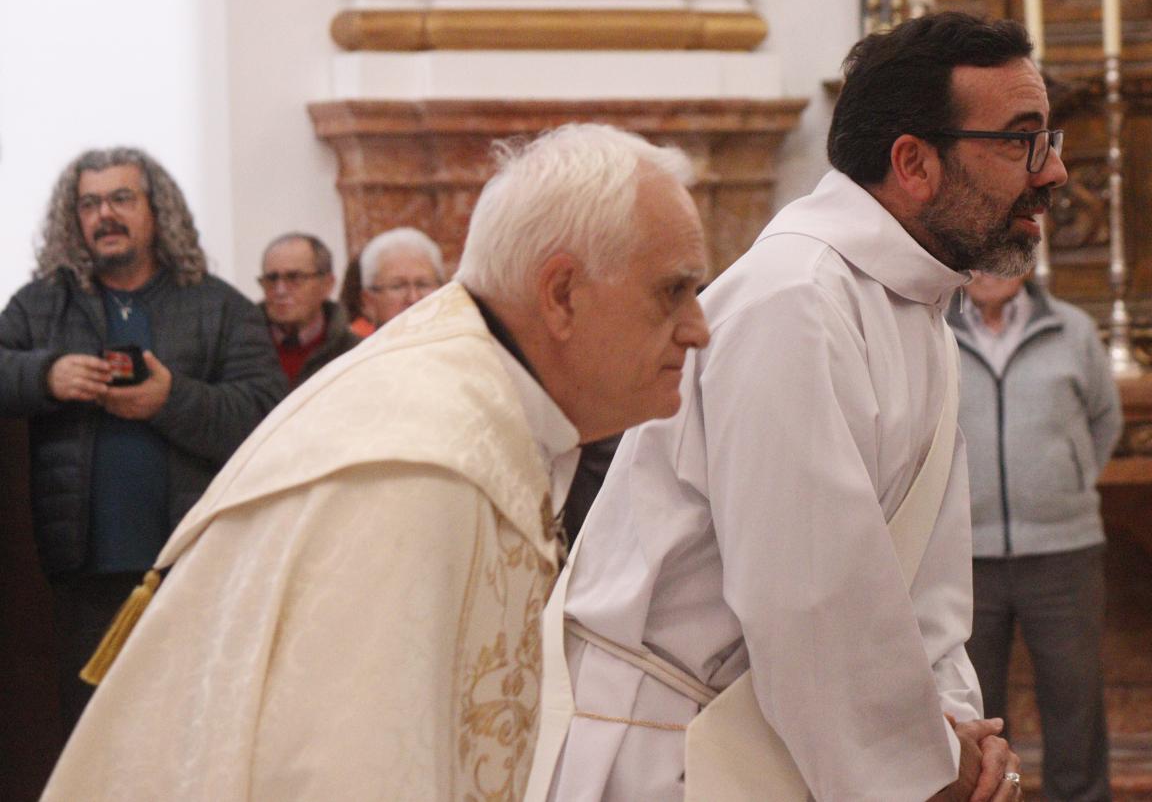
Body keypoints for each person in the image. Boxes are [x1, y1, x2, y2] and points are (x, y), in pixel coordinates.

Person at [40, 123, 711, 801]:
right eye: (673, 290)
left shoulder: (471, 403)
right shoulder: (422, 465)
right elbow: (347, 773)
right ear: (561, 293)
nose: (699, 326)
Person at [538, 11, 1066, 802]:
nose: (1052, 172)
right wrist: (927, 771)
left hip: (791, 738)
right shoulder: (796, 299)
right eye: (1022, 140)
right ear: (913, 162)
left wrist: (953, 730)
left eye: (1050, 140)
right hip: (680, 754)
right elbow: (810, 599)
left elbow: (924, 587)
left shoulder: (915, 308)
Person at [0, 147, 286, 731]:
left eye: (122, 198)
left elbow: (268, 414)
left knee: (192, 734)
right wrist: (45, 375)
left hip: (195, 567)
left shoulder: (219, 306)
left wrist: (170, 399)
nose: (105, 214)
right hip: (79, 573)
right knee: (93, 741)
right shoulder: (41, 304)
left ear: (159, 210)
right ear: (73, 219)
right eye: (89, 203)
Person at [947, 271, 1123, 802]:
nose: (989, 272)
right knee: (974, 712)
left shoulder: (1073, 330)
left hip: (1062, 551)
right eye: (977, 260)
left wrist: (1061, 484)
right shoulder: (934, 330)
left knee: (1075, 703)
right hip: (964, 556)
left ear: (1025, 263)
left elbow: (1103, 420)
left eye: (1001, 260)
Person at [258, 232, 360, 386]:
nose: (280, 290)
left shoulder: (354, 353)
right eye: (271, 279)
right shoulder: (240, 350)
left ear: (327, 284)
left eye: (294, 277)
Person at [356, 226, 447, 333]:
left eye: (423, 284)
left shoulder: (466, 346)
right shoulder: (357, 349)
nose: (413, 298)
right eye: (398, 286)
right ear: (368, 302)